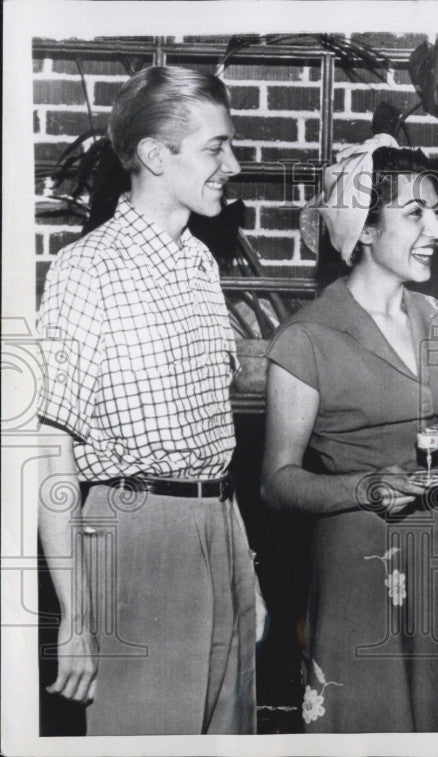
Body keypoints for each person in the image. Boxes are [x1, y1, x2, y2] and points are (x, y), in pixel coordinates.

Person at [260, 135, 438, 732]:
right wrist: (364, 486)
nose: (436, 228)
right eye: (415, 213)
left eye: (436, 211)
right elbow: (276, 482)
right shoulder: (308, 338)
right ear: (365, 231)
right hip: (362, 565)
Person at [37, 66, 260, 735]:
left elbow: (211, 436)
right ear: (156, 155)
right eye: (216, 147)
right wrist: (74, 616)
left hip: (220, 529)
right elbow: (52, 453)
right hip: (136, 538)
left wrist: (246, 573)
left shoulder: (199, 265)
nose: (234, 163)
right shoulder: (86, 270)